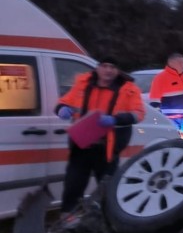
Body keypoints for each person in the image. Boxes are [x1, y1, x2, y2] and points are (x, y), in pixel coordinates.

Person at [55, 57, 145, 212]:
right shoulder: (83, 84)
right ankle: (68, 223)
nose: (108, 70)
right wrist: (62, 109)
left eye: (112, 67)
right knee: (72, 188)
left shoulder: (128, 89)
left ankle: (107, 225)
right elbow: (64, 102)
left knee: (108, 193)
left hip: (107, 150)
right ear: (98, 68)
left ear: (118, 70)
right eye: (104, 66)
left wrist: (115, 119)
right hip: (81, 146)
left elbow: (138, 114)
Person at [149, 52, 183, 139]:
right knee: (174, 144)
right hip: (170, 120)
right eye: (180, 63)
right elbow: (154, 102)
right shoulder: (161, 78)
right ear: (171, 63)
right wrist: (160, 121)